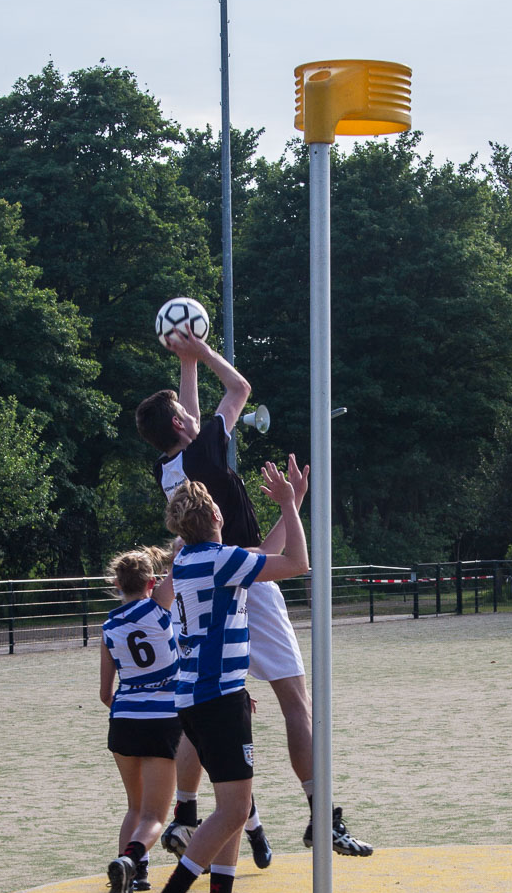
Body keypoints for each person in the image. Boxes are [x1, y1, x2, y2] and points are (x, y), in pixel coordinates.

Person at [135, 326, 373, 863]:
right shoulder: (204, 453)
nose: (194, 416)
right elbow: (239, 388)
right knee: (296, 700)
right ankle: (322, 816)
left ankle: (186, 813)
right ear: (179, 424)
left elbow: (191, 412)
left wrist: (186, 364)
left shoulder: (170, 468)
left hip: (202, 580)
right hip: (243, 577)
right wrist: (204, 352)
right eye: (185, 414)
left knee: (209, 703)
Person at [136, 463, 309, 893]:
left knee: (235, 810)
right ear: (215, 513)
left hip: (201, 696)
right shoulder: (216, 560)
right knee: (235, 810)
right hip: (216, 698)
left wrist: (291, 507)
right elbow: (294, 561)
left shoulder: (191, 559)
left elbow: (258, 555)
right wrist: (286, 506)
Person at [100, 546, 180, 893]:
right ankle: (131, 863)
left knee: (135, 805)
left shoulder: (108, 628)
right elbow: (181, 563)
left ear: (116, 584)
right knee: (155, 816)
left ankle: (132, 872)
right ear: (152, 582)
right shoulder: (158, 606)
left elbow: (105, 694)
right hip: (163, 720)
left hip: (124, 719)